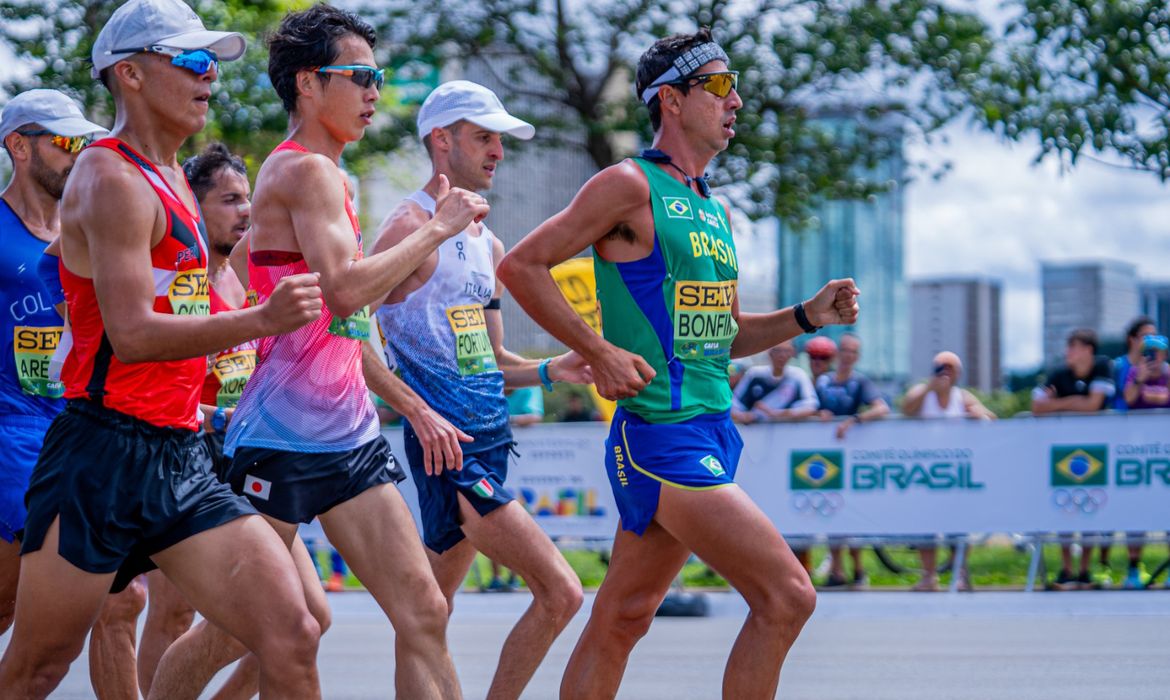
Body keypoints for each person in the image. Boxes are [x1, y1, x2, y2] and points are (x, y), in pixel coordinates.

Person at [497, 28, 860, 697]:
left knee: (624, 616)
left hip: (711, 425)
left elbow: (720, 337)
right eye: (720, 85)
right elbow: (520, 266)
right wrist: (597, 351)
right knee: (788, 596)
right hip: (661, 434)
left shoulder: (711, 207)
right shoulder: (627, 185)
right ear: (671, 99)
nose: (737, 100)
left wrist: (808, 317)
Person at [147, 7, 487, 700]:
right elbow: (342, 293)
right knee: (237, 632)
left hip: (350, 437)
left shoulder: (330, 177)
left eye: (378, 77)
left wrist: (411, 406)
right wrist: (437, 231)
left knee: (423, 611)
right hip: (279, 442)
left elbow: (339, 324)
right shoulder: (305, 173)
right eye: (359, 76)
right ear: (308, 83)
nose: (373, 92)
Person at [0, 0, 328, 696]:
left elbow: (82, 264)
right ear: (131, 74)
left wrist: (76, 283)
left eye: (213, 63)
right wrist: (261, 320)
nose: (210, 76)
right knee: (35, 670)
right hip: (102, 456)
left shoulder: (173, 176)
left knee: (294, 630)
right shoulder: (108, 175)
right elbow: (135, 335)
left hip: (180, 455)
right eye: (192, 61)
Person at [370, 79, 589, 698]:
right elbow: (344, 324)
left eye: (501, 140)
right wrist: (415, 411)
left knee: (429, 613)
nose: (498, 151)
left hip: (490, 441)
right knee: (561, 593)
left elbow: (489, 359)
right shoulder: (410, 225)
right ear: (441, 141)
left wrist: (553, 369)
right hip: (451, 452)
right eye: (484, 137)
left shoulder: (487, 242)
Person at [134, 143, 329, 698]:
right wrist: (211, 414)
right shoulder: (180, 278)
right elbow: (146, 369)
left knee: (311, 617)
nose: (245, 211)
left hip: (249, 463)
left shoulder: (245, 276)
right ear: (195, 209)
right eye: (229, 200)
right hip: (186, 460)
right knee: (171, 617)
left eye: (249, 198)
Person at [0, 88, 152, 700]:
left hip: (83, 428)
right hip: (12, 430)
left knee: (122, 600)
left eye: (83, 142)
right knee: (12, 607)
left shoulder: (86, 231)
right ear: (18, 146)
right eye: (64, 142)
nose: (77, 154)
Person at [901, 351, 996, 591]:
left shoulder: (962, 397)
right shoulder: (922, 393)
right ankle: (929, 576)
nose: (944, 372)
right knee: (925, 525)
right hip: (926, 472)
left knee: (958, 523)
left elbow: (990, 418)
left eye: (949, 367)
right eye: (939, 367)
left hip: (954, 474)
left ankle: (961, 574)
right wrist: (929, 388)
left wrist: (978, 414)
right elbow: (907, 409)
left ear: (958, 373)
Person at [1032, 328, 1115, 590]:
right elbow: (1037, 408)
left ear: (1087, 350)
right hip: (1064, 452)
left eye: (1073, 347)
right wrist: (1076, 400)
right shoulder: (1058, 373)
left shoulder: (1103, 366)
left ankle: (1085, 570)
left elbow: (1094, 407)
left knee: (1091, 507)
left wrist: (1058, 403)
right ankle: (1067, 569)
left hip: (1096, 451)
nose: (1068, 353)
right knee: (1064, 509)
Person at [814, 333, 889, 588]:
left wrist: (853, 421)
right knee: (831, 512)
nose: (847, 356)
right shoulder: (823, 381)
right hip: (825, 457)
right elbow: (809, 405)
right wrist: (817, 414)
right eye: (843, 350)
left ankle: (858, 570)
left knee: (851, 516)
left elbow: (881, 408)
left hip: (852, 456)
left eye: (852, 352)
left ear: (857, 357)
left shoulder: (860, 383)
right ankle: (837, 572)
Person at [733, 340, 818, 423]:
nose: (782, 355)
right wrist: (743, 416)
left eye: (787, 351)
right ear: (769, 352)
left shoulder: (798, 375)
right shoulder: (754, 374)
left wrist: (779, 413)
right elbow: (734, 403)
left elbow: (811, 405)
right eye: (777, 350)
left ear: (792, 353)